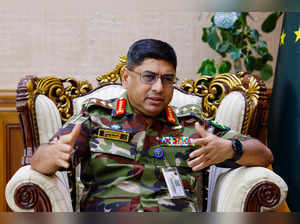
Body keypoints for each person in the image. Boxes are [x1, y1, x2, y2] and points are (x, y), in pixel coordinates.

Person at [31, 39, 274, 212]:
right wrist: (52, 154)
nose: (159, 87)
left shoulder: (191, 125)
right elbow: (39, 161)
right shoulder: (95, 117)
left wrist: (232, 149)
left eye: (167, 79)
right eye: (149, 77)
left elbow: (264, 155)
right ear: (126, 78)